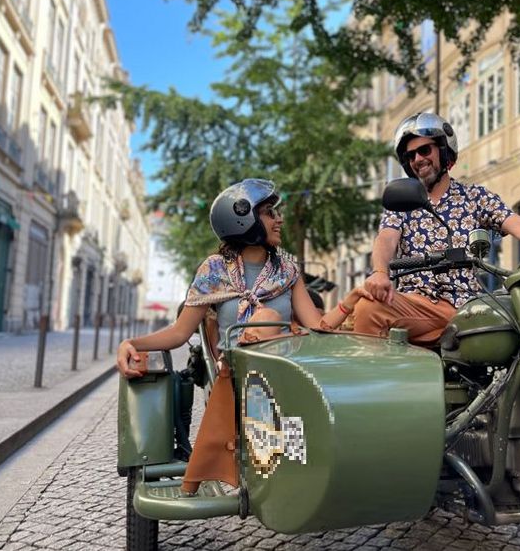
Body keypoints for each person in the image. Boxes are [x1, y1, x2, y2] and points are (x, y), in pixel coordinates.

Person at [116, 178, 372, 494]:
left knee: (277, 324)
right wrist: (131, 344)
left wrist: (353, 298)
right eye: (268, 212)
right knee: (266, 317)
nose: (279, 219)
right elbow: (180, 332)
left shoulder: (288, 269)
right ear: (243, 219)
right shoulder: (214, 269)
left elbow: (317, 325)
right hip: (234, 377)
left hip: (285, 372)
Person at [353, 111, 520, 346]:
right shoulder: (403, 203)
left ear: (443, 150)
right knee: (368, 308)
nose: (417, 159)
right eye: (410, 155)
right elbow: (386, 238)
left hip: (467, 307)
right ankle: (378, 380)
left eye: (424, 150)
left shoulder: (474, 196)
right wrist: (380, 271)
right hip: (416, 305)